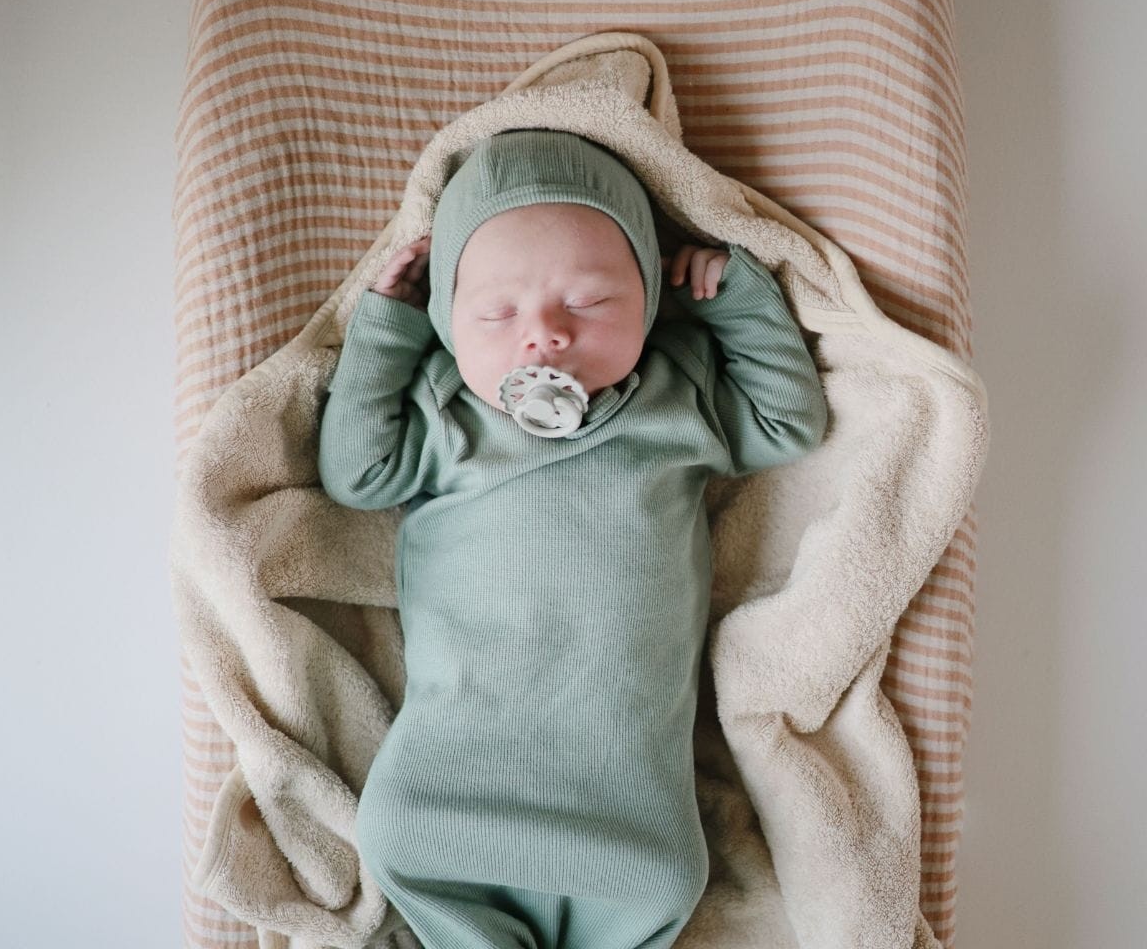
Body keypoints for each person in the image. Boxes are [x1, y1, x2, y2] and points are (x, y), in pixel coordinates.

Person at [318, 128, 827, 949]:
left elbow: (789, 420)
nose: (544, 334)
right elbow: (356, 474)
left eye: (588, 301)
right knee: (396, 835)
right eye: (495, 312)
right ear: (450, 321)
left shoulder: (678, 391)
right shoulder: (448, 406)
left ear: (649, 297)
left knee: (667, 875)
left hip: (623, 796)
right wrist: (391, 332)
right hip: (454, 780)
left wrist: (736, 303)